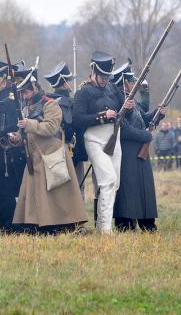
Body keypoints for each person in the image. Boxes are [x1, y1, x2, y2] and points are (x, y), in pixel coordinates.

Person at [11, 64, 88, 234]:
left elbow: (51, 127)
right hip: (35, 157)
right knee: (35, 197)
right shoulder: (25, 109)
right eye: (22, 93)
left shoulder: (51, 104)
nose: (24, 96)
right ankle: (36, 224)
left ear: (34, 88)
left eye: (25, 92)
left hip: (51, 155)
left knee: (57, 197)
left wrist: (29, 124)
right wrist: (17, 138)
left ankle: (61, 225)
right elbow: (26, 132)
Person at [73, 51, 128, 234]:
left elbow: (122, 109)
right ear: (94, 72)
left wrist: (127, 107)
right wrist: (101, 116)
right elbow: (78, 119)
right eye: (102, 76)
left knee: (115, 183)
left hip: (113, 136)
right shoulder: (83, 92)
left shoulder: (112, 88)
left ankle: (103, 226)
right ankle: (105, 230)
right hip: (94, 138)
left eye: (107, 76)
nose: (105, 80)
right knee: (108, 180)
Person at [110, 61, 165, 232]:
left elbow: (143, 119)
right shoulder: (117, 100)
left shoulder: (130, 99)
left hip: (140, 151)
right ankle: (125, 225)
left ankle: (148, 224)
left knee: (144, 189)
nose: (135, 83)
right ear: (124, 82)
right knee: (128, 189)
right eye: (131, 80)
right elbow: (124, 129)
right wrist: (146, 135)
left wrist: (158, 113)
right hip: (127, 152)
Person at [0, 57, 26, 233]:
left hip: (9, 154)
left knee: (6, 192)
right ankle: (8, 225)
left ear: (4, 79)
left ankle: (11, 227)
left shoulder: (10, 101)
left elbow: (10, 129)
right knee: (1, 192)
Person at [43, 62, 85, 194]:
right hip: (71, 150)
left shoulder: (47, 101)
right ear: (65, 82)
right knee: (76, 188)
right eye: (69, 81)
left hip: (53, 152)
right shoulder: (71, 102)